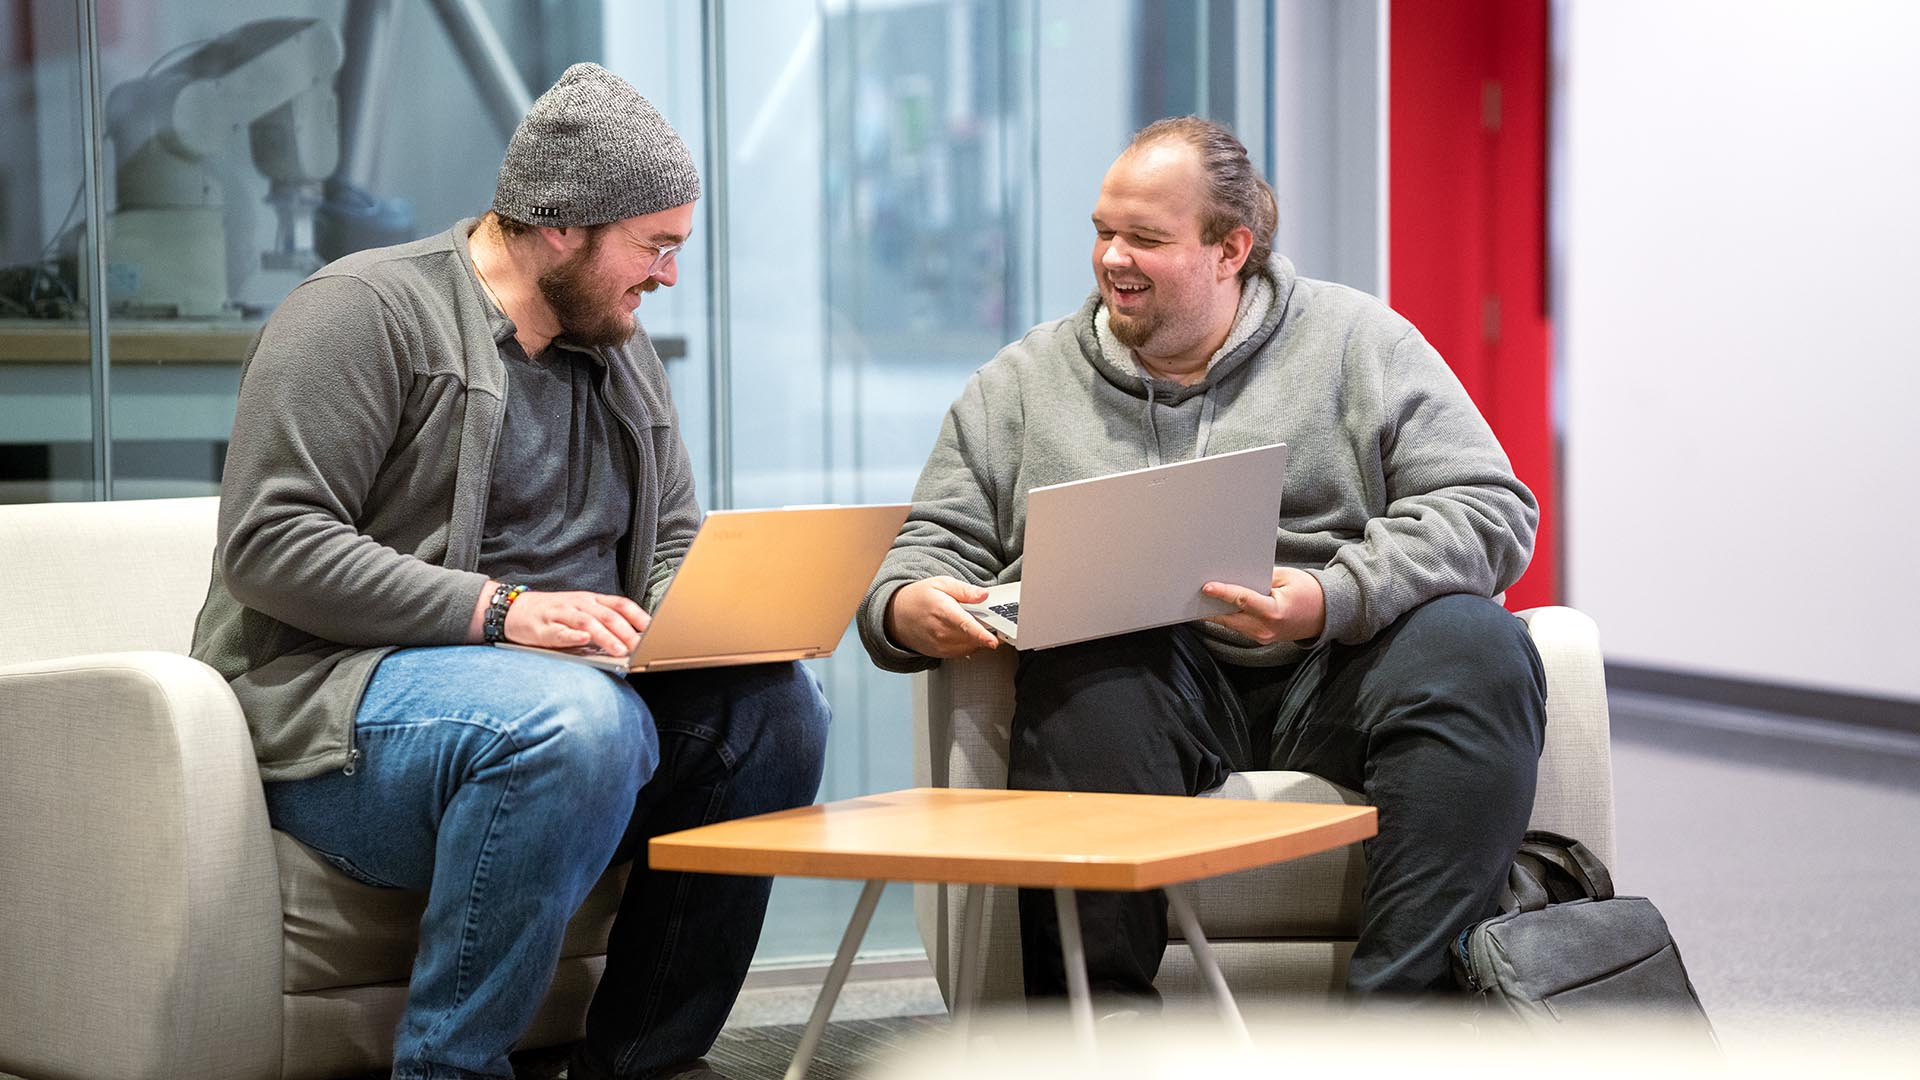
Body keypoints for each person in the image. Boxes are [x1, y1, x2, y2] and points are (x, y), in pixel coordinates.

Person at [191, 63, 830, 1080]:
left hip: (565, 698)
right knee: (577, 722)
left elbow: (668, 538)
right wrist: (507, 612)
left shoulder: (615, 343)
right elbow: (274, 543)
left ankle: (642, 1060)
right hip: (345, 711)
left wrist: (712, 620)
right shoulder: (361, 312)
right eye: (655, 247)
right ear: (563, 225)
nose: (668, 276)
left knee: (777, 707)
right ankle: (452, 1067)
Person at [857, 116, 1546, 1003]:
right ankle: (1099, 1029)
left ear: (1231, 249)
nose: (1111, 258)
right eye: (1103, 232)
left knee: (1474, 644)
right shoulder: (1022, 383)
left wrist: (1334, 595)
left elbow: (1491, 508)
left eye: (1145, 238)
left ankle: (1403, 1021)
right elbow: (926, 547)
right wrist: (907, 605)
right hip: (1146, 699)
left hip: (1337, 672)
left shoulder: (1357, 343)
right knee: (1088, 649)